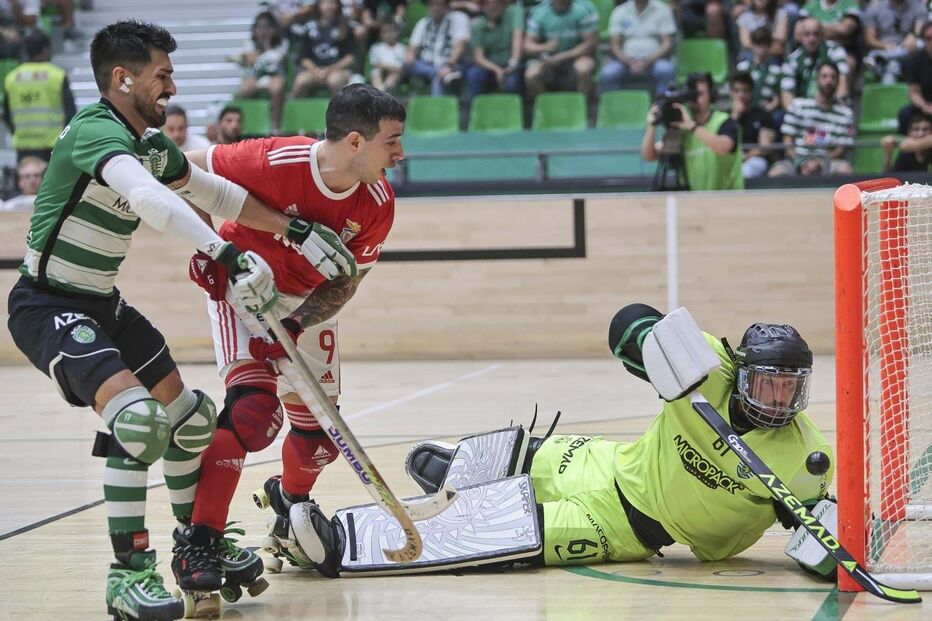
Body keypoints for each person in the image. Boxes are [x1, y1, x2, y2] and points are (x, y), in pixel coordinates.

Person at [4, 20, 290, 621]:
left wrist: (294, 230)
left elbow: (216, 194)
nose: (171, 87)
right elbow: (148, 199)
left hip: (103, 304)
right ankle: (127, 574)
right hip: (47, 304)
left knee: (192, 421)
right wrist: (228, 253)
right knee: (138, 422)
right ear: (122, 77)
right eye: (161, 75)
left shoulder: (151, 143)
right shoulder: (93, 130)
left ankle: (196, 545)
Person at [267, 304, 835, 581]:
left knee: (506, 535)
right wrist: (651, 343)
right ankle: (468, 475)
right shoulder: (704, 365)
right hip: (606, 462)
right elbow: (625, 325)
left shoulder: (804, 459)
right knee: (518, 451)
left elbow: (816, 540)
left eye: (790, 389)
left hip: (628, 527)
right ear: (740, 371)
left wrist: (821, 534)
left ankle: (338, 542)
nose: (778, 400)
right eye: (767, 383)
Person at [182, 84, 405, 573]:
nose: (400, 153)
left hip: (304, 305)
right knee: (253, 413)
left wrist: (296, 322)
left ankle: (287, 504)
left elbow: (347, 284)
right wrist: (206, 247)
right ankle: (201, 542)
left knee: (317, 441)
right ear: (354, 142)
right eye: (391, 141)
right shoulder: (273, 160)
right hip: (242, 290)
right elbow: (182, 168)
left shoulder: (378, 203)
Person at [641, 72, 744, 191]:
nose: (694, 99)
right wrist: (651, 126)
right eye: (691, 94)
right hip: (695, 202)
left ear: (711, 95)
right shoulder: (682, 127)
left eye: (699, 94)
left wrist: (692, 127)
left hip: (729, 199)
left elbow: (724, 147)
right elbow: (649, 156)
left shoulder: (724, 121)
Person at [2, 29, 76, 162]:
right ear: (46, 49)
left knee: (27, 180)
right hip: (53, 145)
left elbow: (6, 114)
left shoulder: (12, 78)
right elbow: (70, 113)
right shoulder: (57, 75)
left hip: (24, 146)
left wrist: (17, 132)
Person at [769, 61, 854, 177]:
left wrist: (819, 163)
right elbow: (787, 141)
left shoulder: (845, 113)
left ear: (838, 81)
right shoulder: (798, 105)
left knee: (845, 169)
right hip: (797, 159)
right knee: (776, 172)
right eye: (824, 76)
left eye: (833, 77)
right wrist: (801, 163)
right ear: (816, 79)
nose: (828, 81)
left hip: (827, 161)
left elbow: (841, 149)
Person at [523, 0, 600, 103]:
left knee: (583, 69)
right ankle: (550, 107)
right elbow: (528, 45)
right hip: (548, 59)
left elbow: (590, 44)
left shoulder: (584, 9)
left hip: (577, 56)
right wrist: (544, 47)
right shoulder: (539, 12)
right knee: (531, 75)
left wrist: (562, 56)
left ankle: (584, 109)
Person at [599, 0, 677, 96]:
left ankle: (663, 107)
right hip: (626, 63)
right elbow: (615, 45)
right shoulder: (620, 11)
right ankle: (614, 107)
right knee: (608, 73)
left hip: (654, 62)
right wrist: (629, 62)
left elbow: (667, 43)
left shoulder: (662, 9)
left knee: (666, 70)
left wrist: (647, 61)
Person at [779, 17, 849, 112]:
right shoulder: (792, 59)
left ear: (822, 35)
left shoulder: (835, 51)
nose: (812, 39)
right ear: (800, 37)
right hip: (803, 111)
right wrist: (796, 115)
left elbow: (843, 83)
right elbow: (786, 93)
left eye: (816, 34)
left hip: (831, 107)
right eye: (807, 34)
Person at [403, 0, 471, 96]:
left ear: (447, 5)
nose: (435, 8)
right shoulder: (423, 23)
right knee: (407, 65)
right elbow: (413, 47)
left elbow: (461, 46)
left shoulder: (459, 18)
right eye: (432, 4)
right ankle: (439, 73)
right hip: (427, 64)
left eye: (439, 4)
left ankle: (438, 106)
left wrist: (449, 65)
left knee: (437, 78)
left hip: (453, 63)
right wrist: (410, 55)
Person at [291, 0, 357, 98]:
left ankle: (338, 112)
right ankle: (292, 111)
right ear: (319, 6)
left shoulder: (344, 27)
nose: (328, 6)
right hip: (314, 70)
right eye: (325, 3)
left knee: (334, 81)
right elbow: (304, 58)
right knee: (301, 81)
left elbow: (350, 58)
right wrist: (316, 71)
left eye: (332, 3)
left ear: (338, 5)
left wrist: (329, 70)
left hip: (338, 70)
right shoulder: (309, 27)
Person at [235, 11, 288, 132]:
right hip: (255, 77)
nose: (263, 31)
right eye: (260, 27)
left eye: (267, 27)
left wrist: (266, 46)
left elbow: (275, 60)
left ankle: (276, 126)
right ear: (254, 29)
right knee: (245, 89)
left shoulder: (282, 43)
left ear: (274, 29)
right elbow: (247, 59)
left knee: (277, 87)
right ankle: (249, 125)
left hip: (274, 76)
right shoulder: (249, 43)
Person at [466, 0, 524, 102]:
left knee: (512, 81)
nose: (492, 6)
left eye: (496, 2)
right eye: (487, 3)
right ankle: (475, 111)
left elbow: (517, 37)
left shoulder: (514, 13)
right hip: (490, 67)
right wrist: (497, 70)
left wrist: (513, 63)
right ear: (482, 7)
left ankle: (514, 113)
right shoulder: (479, 26)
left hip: (511, 64)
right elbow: (479, 58)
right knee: (473, 74)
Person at [862, 0, 925, 84]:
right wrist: (885, 46)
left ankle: (881, 58)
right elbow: (869, 40)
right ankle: (887, 57)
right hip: (884, 48)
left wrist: (913, 35)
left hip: (908, 50)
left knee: (920, 44)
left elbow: (920, 28)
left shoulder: (917, 5)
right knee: (893, 65)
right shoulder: (874, 7)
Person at [730, 71, 777, 178]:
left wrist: (746, 156)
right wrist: (735, 116)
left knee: (745, 171)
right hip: (731, 159)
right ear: (731, 93)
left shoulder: (762, 115)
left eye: (745, 91)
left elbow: (765, 147)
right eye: (736, 91)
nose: (741, 95)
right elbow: (724, 140)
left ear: (751, 93)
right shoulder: (724, 116)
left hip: (755, 159)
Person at [735, 28, 783, 126]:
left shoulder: (777, 70)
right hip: (746, 110)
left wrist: (766, 110)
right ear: (752, 45)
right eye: (759, 45)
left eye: (766, 45)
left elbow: (777, 99)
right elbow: (736, 93)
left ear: (770, 46)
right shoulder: (742, 68)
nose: (762, 49)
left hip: (767, 110)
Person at [897, 22, 932, 135]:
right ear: (924, 41)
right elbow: (914, 92)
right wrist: (924, 106)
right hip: (925, 105)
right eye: (928, 38)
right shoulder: (914, 60)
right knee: (905, 114)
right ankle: (908, 150)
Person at [368, 19, 406, 94]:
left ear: (397, 32)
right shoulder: (376, 47)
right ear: (381, 34)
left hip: (396, 75)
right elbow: (376, 64)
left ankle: (381, 93)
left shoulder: (403, 49)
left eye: (391, 31)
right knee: (375, 73)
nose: (388, 34)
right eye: (385, 32)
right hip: (381, 72)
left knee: (394, 75)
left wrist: (390, 68)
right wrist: (390, 68)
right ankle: (379, 92)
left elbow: (402, 68)